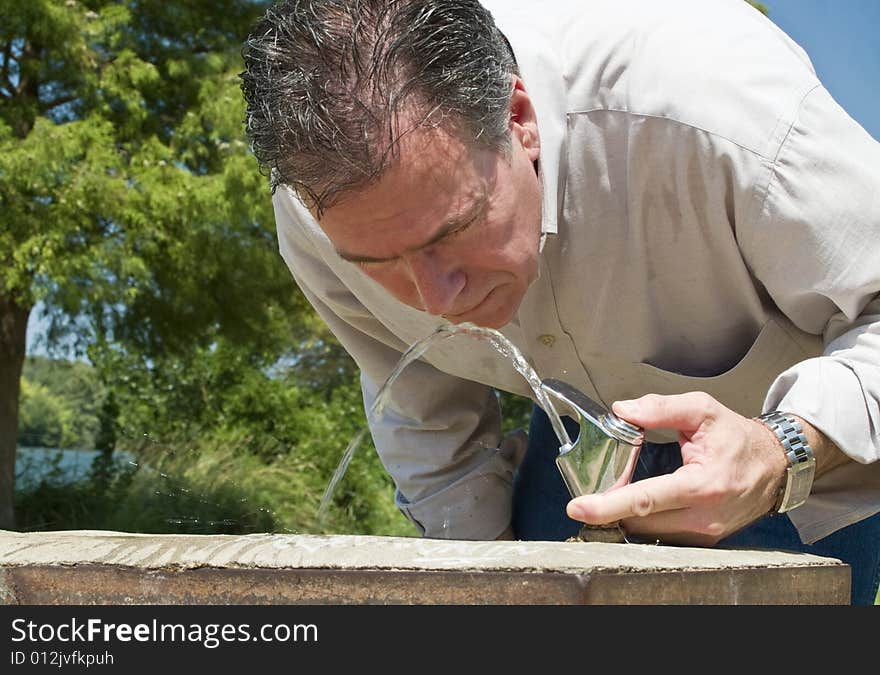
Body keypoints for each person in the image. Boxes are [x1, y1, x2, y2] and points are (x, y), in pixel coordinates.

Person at [240, 0, 880, 604]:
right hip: (578, 430)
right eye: (379, 264)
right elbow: (421, 407)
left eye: (452, 232)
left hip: (804, 439)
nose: (436, 301)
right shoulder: (315, 215)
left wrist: (782, 451)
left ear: (519, 122)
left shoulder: (717, 107)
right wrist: (480, 577)